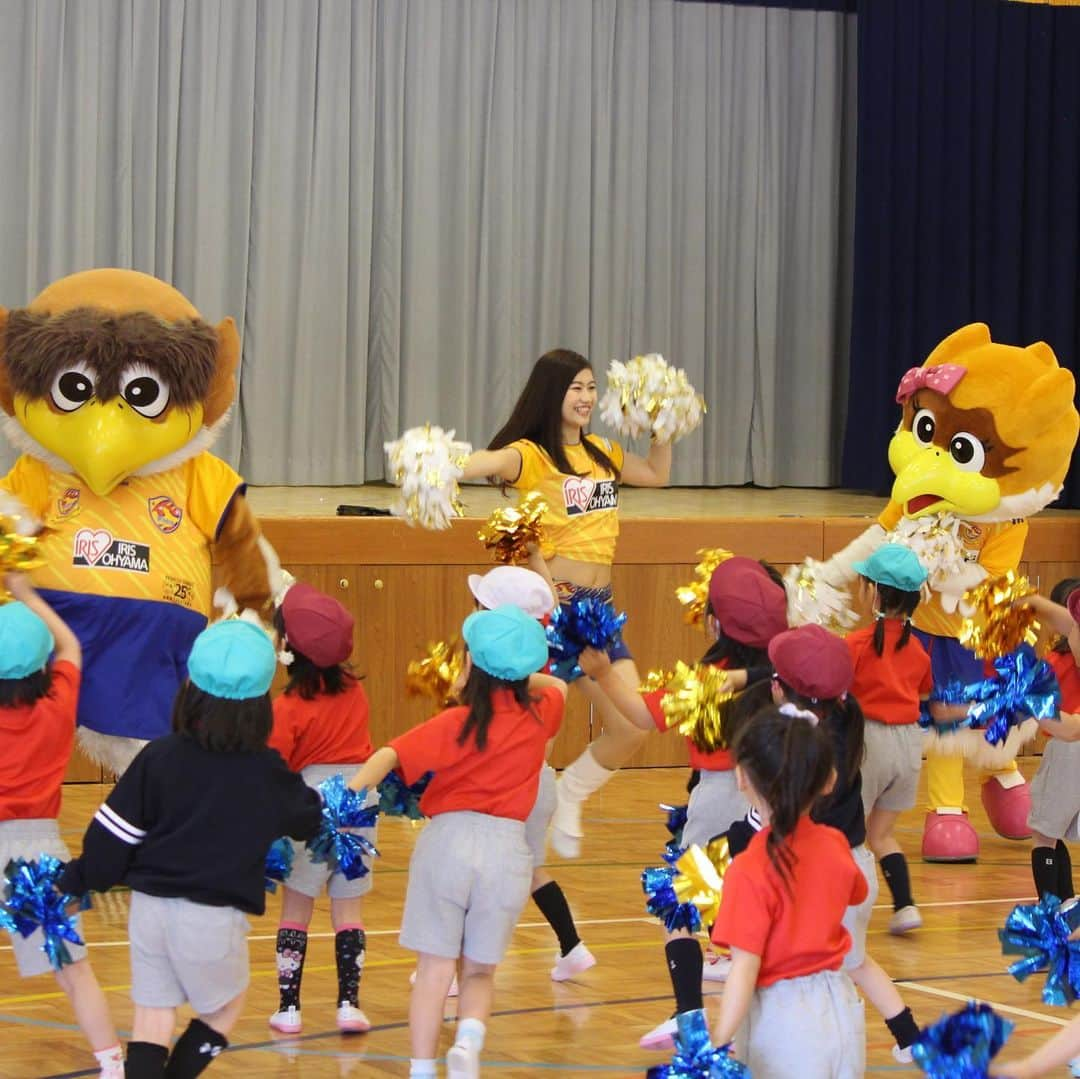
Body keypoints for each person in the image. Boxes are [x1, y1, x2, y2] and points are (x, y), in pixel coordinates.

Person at [58, 620, 324, 1079]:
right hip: (212, 918)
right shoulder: (266, 769)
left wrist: (81, 880)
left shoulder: (159, 756)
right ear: (262, 705)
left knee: (152, 1018)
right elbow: (308, 818)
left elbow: (111, 837)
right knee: (224, 1008)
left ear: (191, 690)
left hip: (150, 912)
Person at [460, 349, 672, 857]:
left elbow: (656, 473)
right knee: (536, 738)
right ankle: (509, 835)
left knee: (634, 723)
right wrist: (436, 463)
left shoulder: (602, 452)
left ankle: (572, 792)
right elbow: (482, 463)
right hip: (551, 613)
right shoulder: (531, 455)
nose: (585, 397)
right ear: (552, 393)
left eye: (591, 388)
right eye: (575, 387)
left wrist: (665, 419)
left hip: (598, 612)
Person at [346, 605, 566, 1079]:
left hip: (448, 842)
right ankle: (469, 1039)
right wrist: (522, 674)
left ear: (470, 666)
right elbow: (561, 687)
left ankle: (422, 1069)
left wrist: (346, 794)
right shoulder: (541, 715)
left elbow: (390, 754)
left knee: (433, 971)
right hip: (508, 850)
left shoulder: (455, 722)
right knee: (480, 971)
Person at [578, 555, 788, 1048]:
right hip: (778, 799)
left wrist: (605, 673)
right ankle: (758, 1014)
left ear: (715, 620)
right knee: (756, 903)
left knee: (676, 907)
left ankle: (690, 1016)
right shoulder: (784, 664)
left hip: (720, 797)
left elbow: (641, 714)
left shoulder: (710, 676)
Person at [729, 625, 922, 1064]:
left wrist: (737, 839)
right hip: (854, 866)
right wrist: (744, 678)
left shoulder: (795, 757)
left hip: (815, 875)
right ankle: (909, 1034)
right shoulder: (842, 715)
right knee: (855, 961)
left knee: (784, 965)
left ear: (780, 690)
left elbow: (766, 827)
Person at [0, 573, 123, 1079]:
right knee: (74, 971)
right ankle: (112, 1064)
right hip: (36, 849)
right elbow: (70, 643)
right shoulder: (58, 704)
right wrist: (25, 594)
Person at [708, 705, 867, 1077]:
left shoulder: (748, 868)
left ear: (742, 777)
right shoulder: (837, 843)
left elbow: (744, 971)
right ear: (828, 779)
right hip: (841, 1007)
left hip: (782, 1025)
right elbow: (853, 894)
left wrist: (716, 1044)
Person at [468, 567, 594, 981]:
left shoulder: (512, 677)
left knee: (480, 874)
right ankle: (572, 946)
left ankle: (454, 969)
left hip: (513, 787)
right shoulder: (541, 669)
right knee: (532, 872)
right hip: (537, 783)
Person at [266, 582, 376, 1035]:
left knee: (297, 906)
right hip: (359, 797)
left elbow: (275, 767)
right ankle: (348, 1005)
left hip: (309, 798)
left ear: (289, 649)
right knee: (348, 910)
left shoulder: (287, 706)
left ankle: (289, 1008)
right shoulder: (354, 690)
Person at [846, 543, 932, 934]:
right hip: (910, 745)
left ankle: (848, 911)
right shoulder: (918, 649)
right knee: (882, 834)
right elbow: (925, 693)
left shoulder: (858, 645)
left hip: (869, 743)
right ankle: (905, 906)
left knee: (848, 833)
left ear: (875, 593)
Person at [1019, 580, 1080, 901]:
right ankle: (1067, 901)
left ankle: (1050, 907)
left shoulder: (1056, 661)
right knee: (1056, 835)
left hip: (1068, 747)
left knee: (1044, 835)